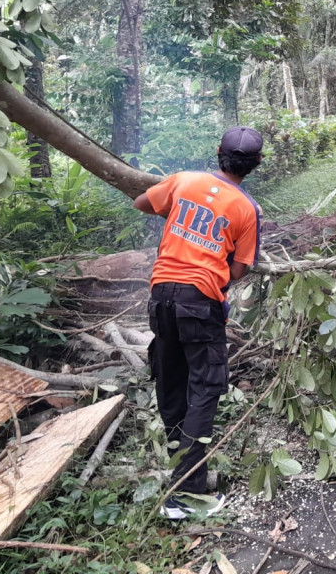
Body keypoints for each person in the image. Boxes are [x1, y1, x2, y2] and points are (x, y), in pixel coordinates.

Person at [133, 126, 264, 519]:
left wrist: (177, 211)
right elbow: (239, 271)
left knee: (171, 380)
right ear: (256, 164)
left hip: (161, 296)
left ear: (218, 152)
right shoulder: (247, 210)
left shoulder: (184, 180)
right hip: (200, 301)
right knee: (205, 385)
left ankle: (178, 470)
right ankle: (187, 495)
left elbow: (142, 201)